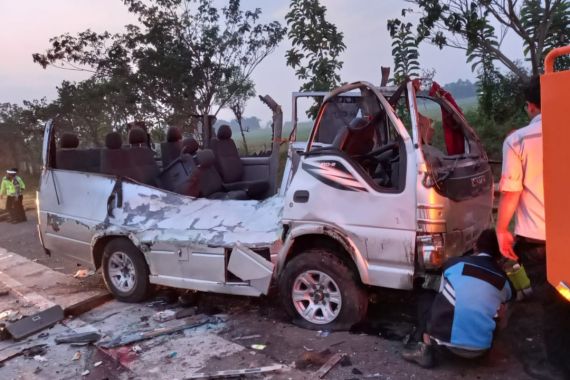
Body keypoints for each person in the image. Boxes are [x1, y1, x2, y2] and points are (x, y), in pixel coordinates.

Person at [496, 76, 570, 379]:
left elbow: (511, 192)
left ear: (530, 106)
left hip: (541, 242)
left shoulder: (519, 141)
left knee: (554, 304)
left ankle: (558, 366)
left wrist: (502, 229)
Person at [401, 229, 513, 368]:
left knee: (428, 298)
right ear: (500, 254)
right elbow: (504, 312)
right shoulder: (505, 281)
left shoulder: (453, 265)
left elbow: (441, 296)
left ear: (475, 245)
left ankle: (425, 346)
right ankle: (481, 344)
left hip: (444, 345)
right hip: (481, 350)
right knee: (501, 310)